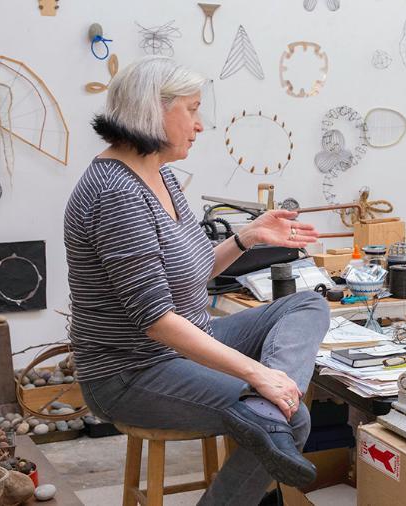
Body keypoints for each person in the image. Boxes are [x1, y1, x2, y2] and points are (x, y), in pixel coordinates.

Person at [64, 56, 330, 505]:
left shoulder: (159, 176)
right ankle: (267, 414)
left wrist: (247, 237)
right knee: (293, 419)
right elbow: (156, 321)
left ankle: (263, 411)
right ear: (153, 110)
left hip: (184, 344)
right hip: (130, 371)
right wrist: (257, 373)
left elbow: (189, 272)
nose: (200, 124)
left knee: (306, 305)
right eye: (191, 109)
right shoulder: (116, 194)